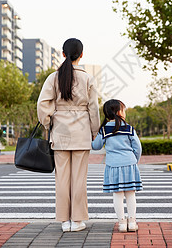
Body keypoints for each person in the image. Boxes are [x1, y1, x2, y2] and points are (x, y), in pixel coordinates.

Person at [37, 38, 100, 232]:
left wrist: (49, 123)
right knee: (79, 179)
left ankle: (65, 221)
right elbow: (94, 109)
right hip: (81, 132)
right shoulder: (88, 78)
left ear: (63, 54)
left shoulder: (53, 77)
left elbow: (42, 105)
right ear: (81, 55)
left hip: (60, 132)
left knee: (62, 179)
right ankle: (78, 220)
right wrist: (94, 130)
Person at [92, 99, 142, 232]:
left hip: (113, 165)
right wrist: (133, 160)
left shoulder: (104, 130)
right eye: (123, 109)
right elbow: (137, 147)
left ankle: (121, 223)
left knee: (117, 195)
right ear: (119, 112)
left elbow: (96, 146)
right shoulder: (129, 128)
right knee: (131, 194)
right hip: (130, 163)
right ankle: (132, 222)